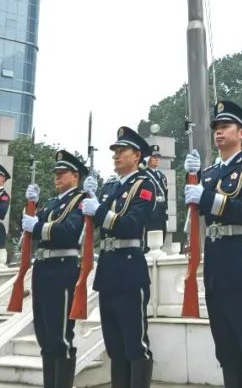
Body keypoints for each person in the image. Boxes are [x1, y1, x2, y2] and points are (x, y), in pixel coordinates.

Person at [183, 101, 242, 388]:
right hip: (216, 262)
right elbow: (199, 217)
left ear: (241, 132)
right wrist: (192, 181)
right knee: (225, 348)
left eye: (225, 127)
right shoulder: (207, 174)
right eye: (216, 128)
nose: (219, 132)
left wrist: (204, 196)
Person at [82, 128, 154, 388]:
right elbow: (94, 224)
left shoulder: (145, 185)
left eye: (122, 151)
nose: (116, 155)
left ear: (136, 156)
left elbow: (130, 225)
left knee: (135, 344)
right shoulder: (112, 187)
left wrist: (99, 209)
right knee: (115, 347)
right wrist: (88, 198)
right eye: (114, 151)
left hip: (129, 268)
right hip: (109, 269)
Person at [25, 150, 86, 388]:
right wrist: (31, 208)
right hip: (43, 270)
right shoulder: (52, 203)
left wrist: (38, 226)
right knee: (45, 337)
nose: (57, 177)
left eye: (62, 173)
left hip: (62, 270)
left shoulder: (80, 200)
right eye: (56, 173)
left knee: (60, 337)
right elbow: (31, 227)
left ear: (75, 175)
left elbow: (70, 231)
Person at [143, 148, 168, 242]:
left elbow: (166, 196)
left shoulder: (162, 176)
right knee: (150, 242)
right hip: (150, 212)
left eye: (158, 157)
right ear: (148, 158)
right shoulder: (144, 175)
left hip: (161, 212)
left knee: (161, 239)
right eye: (154, 157)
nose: (157, 159)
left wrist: (167, 215)